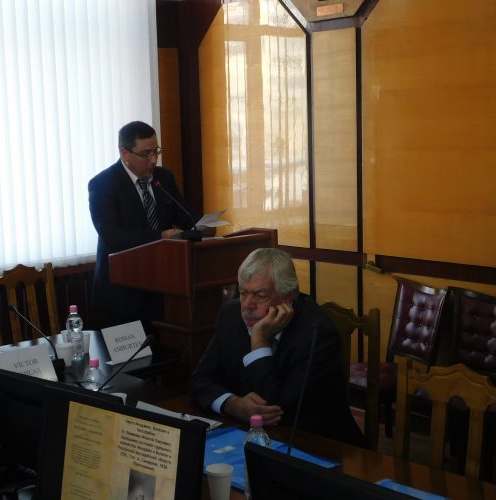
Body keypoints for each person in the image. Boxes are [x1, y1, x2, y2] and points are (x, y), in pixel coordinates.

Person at [188, 248, 366, 447]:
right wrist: (233, 404)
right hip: (250, 438)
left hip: (319, 446)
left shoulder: (318, 333)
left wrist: (259, 341)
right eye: (243, 292)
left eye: (260, 295)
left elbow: (278, 410)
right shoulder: (230, 315)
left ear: (287, 297)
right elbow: (199, 380)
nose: (247, 305)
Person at [88, 121, 198, 329]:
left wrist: (201, 226)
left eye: (156, 151)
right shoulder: (103, 185)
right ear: (124, 153)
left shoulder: (164, 178)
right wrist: (160, 237)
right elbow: (112, 236)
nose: (153, 160)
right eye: (146, 154)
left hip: (162, 290)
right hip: (121, 294)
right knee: (132, 352)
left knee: (163, 348)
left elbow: (185, 216)